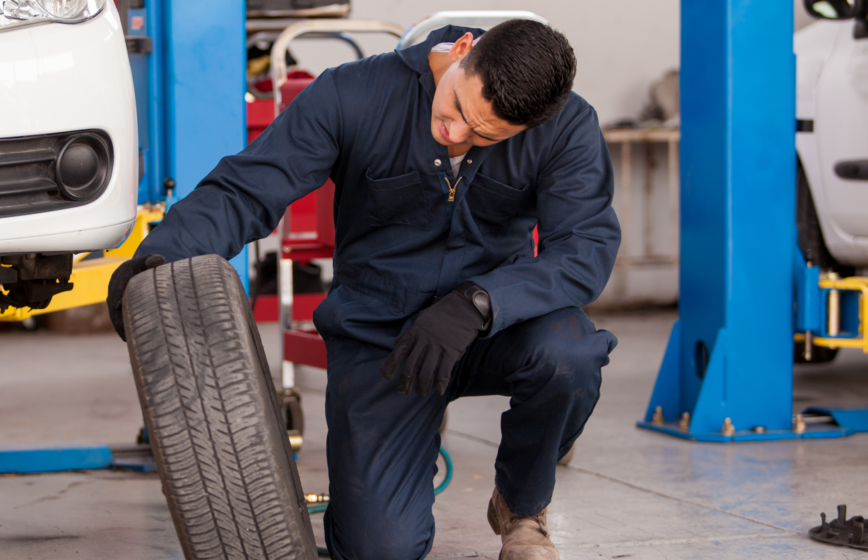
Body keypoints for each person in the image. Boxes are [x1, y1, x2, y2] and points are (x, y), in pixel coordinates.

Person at [107, 20, 619, 560]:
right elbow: (248, 189)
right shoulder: (352, 94)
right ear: (464, 50)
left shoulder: (566, 126)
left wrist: (481, 302)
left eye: (486, 136)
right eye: (458, 111)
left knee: (571, 353)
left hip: (493, 326)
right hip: (383, 338)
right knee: (379, 550)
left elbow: (583, 249)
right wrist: (159, 259)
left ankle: (521, 508)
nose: (457, 134)